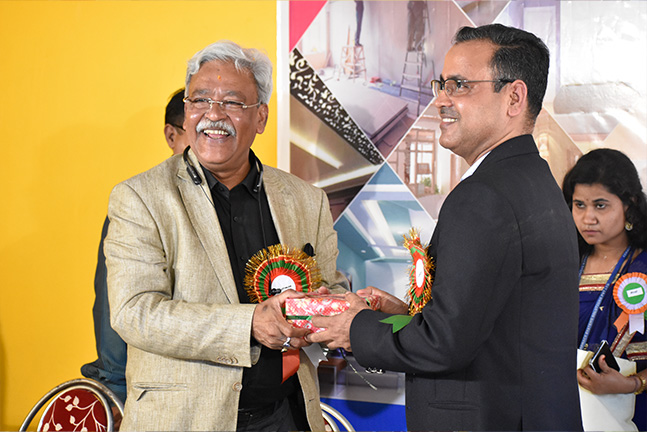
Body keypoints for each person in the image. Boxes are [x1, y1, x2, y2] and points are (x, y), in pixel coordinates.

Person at [309, 23, 583, 431]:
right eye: (442, 84)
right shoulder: (532, 179)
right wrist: (405, 316)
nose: (440, 100)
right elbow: (488, 323)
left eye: (459, 85)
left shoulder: (485, 195)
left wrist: (355, 327)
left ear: (514, 97)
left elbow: (443, 344)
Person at [104, 40, 347, 431]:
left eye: (232, 102)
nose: (213, 115)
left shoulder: (307, 200)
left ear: (261, 117)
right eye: (200, 100)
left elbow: (328, 288)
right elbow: (135, 312)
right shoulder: (140, 197)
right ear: (186, 110)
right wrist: (250, 323)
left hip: (285, 415)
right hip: (184, 420)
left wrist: (340, 307)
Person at [81, 88, 188, 404]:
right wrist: (115, 389)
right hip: (158, 388)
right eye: (196, 131)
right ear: (171, 135)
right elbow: (113, 306)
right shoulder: (140, 202)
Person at [562, 148, 647, 430]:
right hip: (568, 408)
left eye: (600, 205)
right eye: (579, 205)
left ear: (629, 204)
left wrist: (631, 384)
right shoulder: (563, 263)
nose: (588, 218)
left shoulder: (643, 266)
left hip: (636, 412)